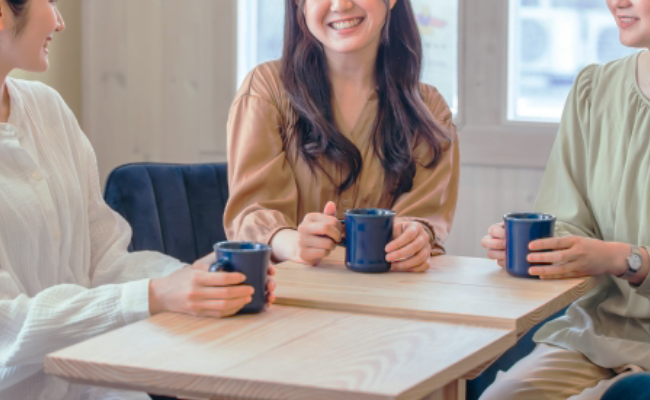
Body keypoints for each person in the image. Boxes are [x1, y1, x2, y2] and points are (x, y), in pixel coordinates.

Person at [0, 1, 271, 399]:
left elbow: (104, 260)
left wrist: (194, 278)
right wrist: (156, 296)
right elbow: (8, 325)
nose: (60, 22)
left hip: (100, 385)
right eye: (51, 2)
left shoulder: (48, 109)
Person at [480, 0, 650, 398]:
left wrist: (625, 259)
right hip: (600, 332)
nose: (616, 2)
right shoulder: (595, 89)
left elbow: (612, 255)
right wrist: (542, 249)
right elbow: (571, 222)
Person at [224, 0, 460, 271]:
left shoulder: (430, 111)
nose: (341, 5)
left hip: (390, 297)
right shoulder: (265, 91)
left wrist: (415, 238)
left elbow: (425, 220)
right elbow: (251, 214)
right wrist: (293, 242)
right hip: (289, 298)